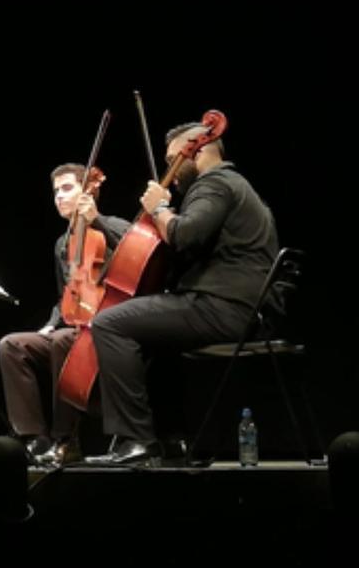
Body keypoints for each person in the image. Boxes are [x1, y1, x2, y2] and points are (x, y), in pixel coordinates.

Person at [83, 121, 278, 466]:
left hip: (223, 308)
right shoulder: (237, 186)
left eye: (175, 159)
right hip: (242, 310)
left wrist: (159, 208)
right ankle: (172, 439)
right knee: (152, 335)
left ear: (198, 150)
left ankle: (138, 441)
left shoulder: (215, 184)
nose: (171, 170)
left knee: (109, 323)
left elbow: (185, 235)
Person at [0, 163, 111, 467]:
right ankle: (36, 439)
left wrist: (96, 220)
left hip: (106, 328)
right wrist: (48, 324)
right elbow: (66, 295)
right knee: (12, 345)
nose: (59, 197)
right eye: (56, 191)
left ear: (89, 190)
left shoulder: (111, 229)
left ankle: (66, 438)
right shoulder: (63, 243)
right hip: (72, 327)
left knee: (64, 340)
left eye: (67, 188)